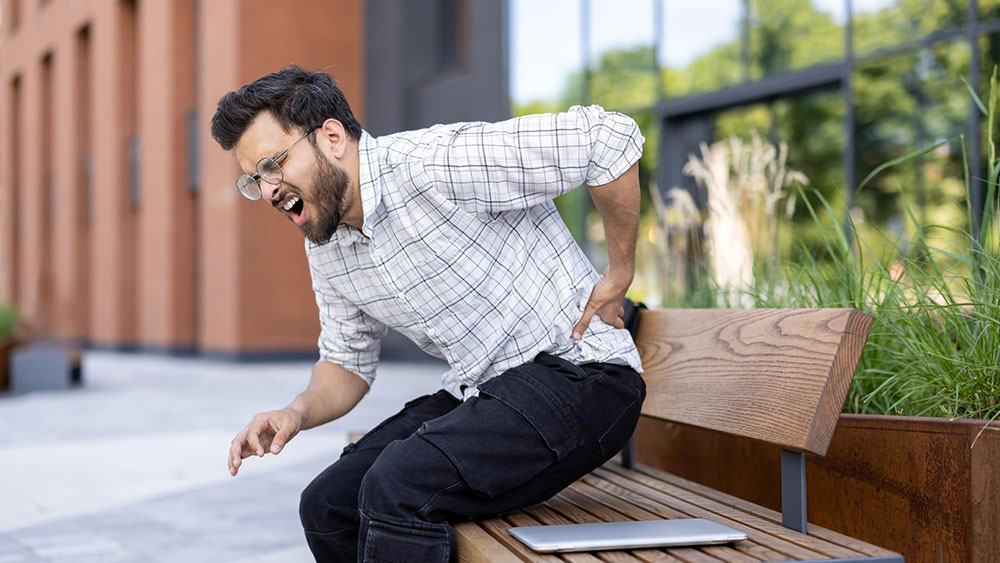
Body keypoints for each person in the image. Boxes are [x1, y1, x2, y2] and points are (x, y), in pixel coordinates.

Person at [210, 65, 646, 563]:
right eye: (254, 179)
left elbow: (608, 139)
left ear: (331, 137)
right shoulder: (327, 244)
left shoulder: (435, 163)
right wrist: (294, 413)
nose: (267, 190)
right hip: (483, 389)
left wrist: (619, 274)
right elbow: (346, 363)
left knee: (397, 489)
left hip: (582, 376)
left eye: (273, 165)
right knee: (328, 505)